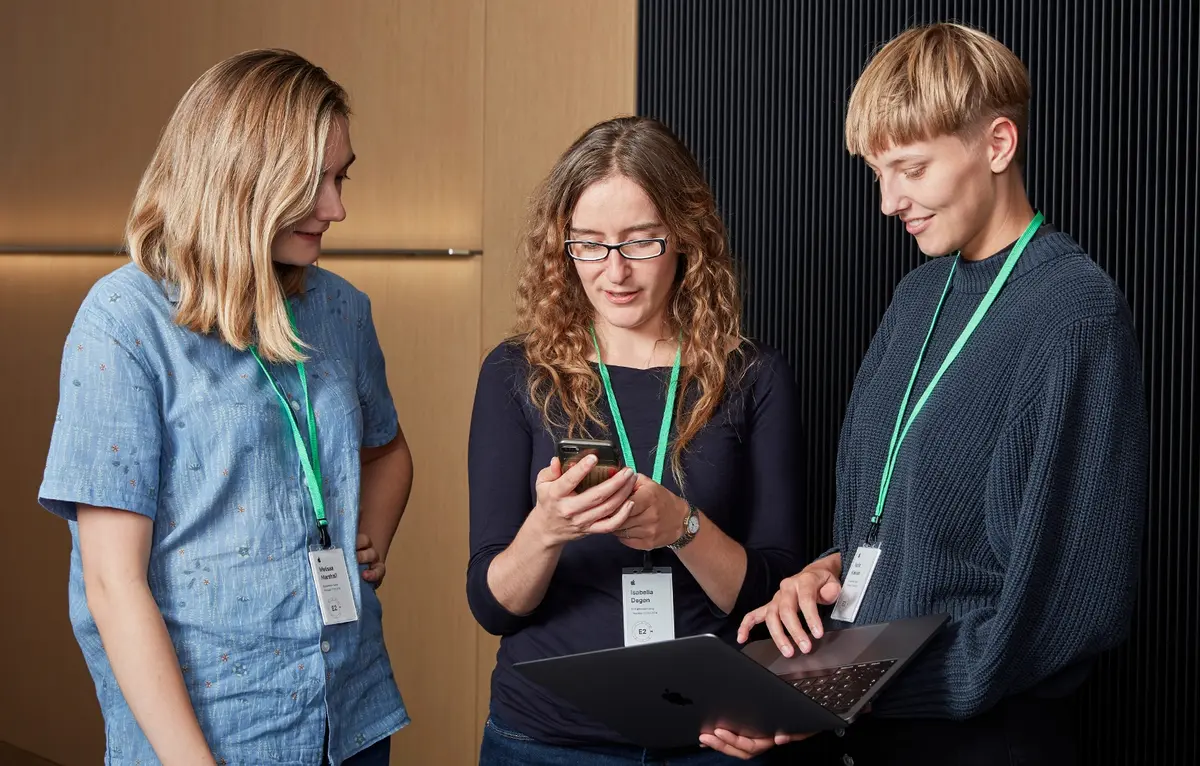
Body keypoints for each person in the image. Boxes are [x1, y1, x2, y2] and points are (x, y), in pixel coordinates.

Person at [705, 23, 1149, 764]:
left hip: (986, 745)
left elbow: (1070, 612)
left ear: (998, 145)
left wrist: (846, 690)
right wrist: (827, 575)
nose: (888, 201)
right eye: (878, 172)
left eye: (910, 168)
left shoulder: (1076, 314)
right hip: (870, 732)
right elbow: (906, 526)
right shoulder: (917, 297)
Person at [37, 50, 412, 765]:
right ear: (243, 176)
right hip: (214, 737)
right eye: (315, 182)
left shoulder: (340, 310)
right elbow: (113, 585)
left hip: (349, 718)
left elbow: (389, 450)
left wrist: (371, 539)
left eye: (342, 177)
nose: (338, 208)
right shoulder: (123, 322)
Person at [466, 115, 805, 765]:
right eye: (588, 244)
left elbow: (771, 596)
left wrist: (682, 527)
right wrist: (546, 529)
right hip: (545, 740)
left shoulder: (753, 376)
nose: (613, 271)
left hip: (707, 736)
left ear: (686, 238)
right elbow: (491, 605)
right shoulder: (516, 373)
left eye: (640, 243)